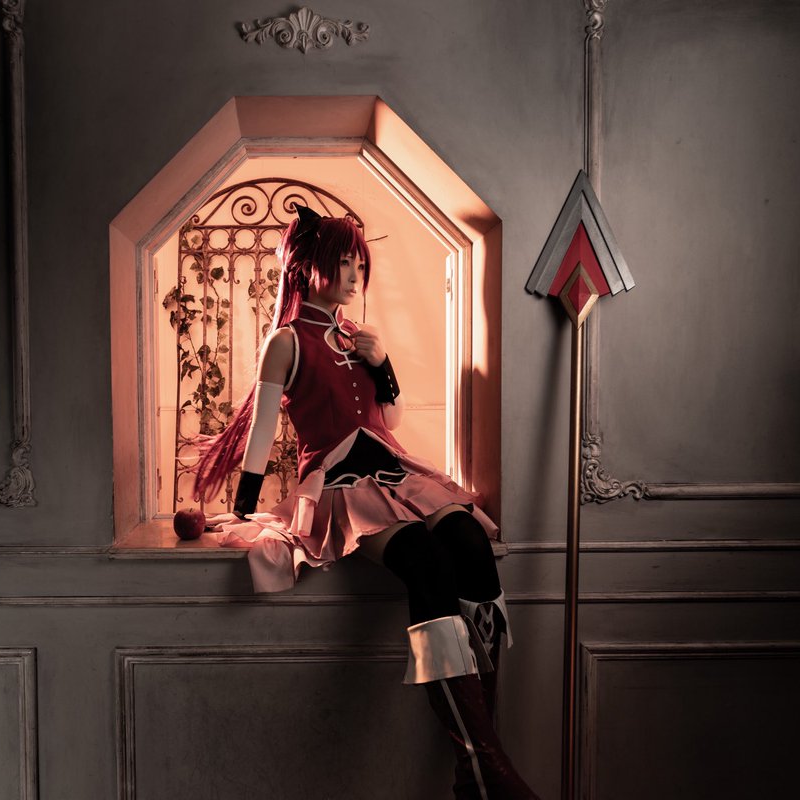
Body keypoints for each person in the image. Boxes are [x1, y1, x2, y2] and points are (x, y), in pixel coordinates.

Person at [194, 205, 540, 800]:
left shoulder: (359, 336)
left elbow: (392, 419)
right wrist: (247, 504)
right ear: (309, 267)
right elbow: (262, 431)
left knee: (471, 545)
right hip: (338, 483)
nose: (355, 276)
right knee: (425, 563)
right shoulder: (286, 341)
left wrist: (384, 366)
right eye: (344, 263)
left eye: (359, 265)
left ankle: (481, 767)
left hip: (396, 470)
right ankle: (487, 765)